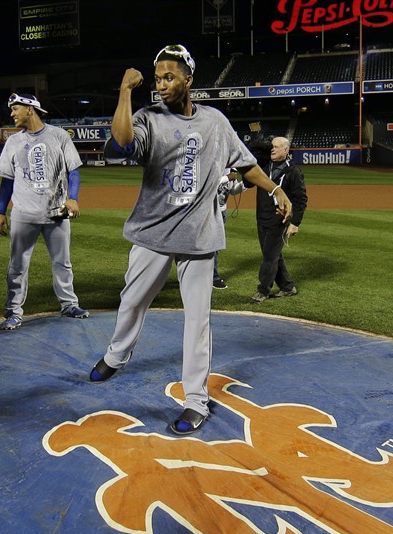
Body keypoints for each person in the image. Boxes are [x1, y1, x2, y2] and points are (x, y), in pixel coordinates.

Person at [89, 44, 292, 436]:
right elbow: (120, 143)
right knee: (132, 300)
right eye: (158, 77)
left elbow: (245, 164)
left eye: (169, 77)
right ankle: (117, 355)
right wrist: (125, 92)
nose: (162, 84)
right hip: (152, 231)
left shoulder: (215, 121)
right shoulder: (147, 118)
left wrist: (273, 190)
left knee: (197, 322)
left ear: (188, 80)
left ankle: (196, 400)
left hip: (199, 236)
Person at [0, 92, 89, 330]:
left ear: (30, 109)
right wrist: (0, 211)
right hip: (23, 214)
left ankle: (69, 304)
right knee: (17, 266)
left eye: (15, 108)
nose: (12, 113)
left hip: (56, 213)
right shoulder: (13, 142)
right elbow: (6, 180)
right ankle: (14, 312)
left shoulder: (58, 136)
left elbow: (73, 170)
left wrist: (73, 198)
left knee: (62, 263)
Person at [250, 136, 307, 304]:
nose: (272, 150)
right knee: (273, 255)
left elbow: (300, 199)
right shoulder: (264, 165)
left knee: (269, 256)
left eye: (276, 147)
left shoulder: (293, 171)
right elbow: (251, 149)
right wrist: (264, 142)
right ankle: (288, 286)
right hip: (262, 217)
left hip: (279, 220)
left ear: (286, 150)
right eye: (271, 147)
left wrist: (295, 223)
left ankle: (263, 290)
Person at [213, 168, 246, 289]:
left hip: (222, 212)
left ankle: (209, 276)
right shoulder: (214, 163)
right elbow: (208, 184)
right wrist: (227, 177)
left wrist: (245, 183)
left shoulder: (232, 169)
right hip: (209, 212)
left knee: (216, 246)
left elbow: (233, 191)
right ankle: (213, 278)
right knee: (212, 246)